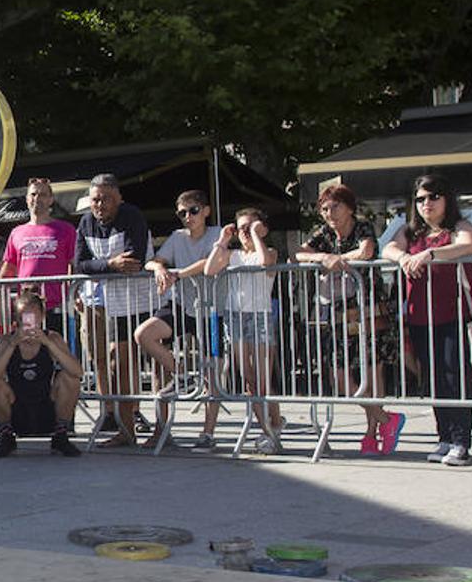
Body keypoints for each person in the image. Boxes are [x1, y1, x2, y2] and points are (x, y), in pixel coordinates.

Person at [295, 184, 405, 456]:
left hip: (369, 309)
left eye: (335, 207)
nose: (329, 213)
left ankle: (371, 433)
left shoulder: (362, 226)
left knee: (373, 371)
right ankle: (386, 420)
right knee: (340, 376)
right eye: (324, 208)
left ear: (349, 208)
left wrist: (337, 260)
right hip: (339, 313)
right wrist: (323, 257)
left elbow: (366, 251)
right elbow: (299, 253)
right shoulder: (323, 233)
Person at [383, 175, 472, 466]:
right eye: (421, 199)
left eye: (434, 196)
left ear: (446, 199)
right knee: (433, 378)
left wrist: (430, 253)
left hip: (453, 314)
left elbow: (469, 245)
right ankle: (445, 437)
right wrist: (403, 258)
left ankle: (461, 441)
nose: (427, 203)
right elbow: (388, 248)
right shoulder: (409, 231)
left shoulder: (459, 227)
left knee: (454, 376)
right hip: (420, 316)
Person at [136, 190, 222, 447]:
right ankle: (182, 376)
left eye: (193, 211)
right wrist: (160, 268)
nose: (188, 217)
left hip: (211, 309)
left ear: (206, 211)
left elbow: (209, 263)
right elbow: (151, 262)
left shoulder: (217, 234)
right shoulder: (177, 237)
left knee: (212, 375)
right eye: (182, 213)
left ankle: (208, 433)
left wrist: (178, 274)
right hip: (181, 305)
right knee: (143, 334)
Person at [75, 173, 153, 446]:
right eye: (95, 199)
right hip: (114, 304)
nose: (100, 205)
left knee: (156, 368)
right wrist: (110, 264)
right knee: (116, 364)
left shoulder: (132, 216)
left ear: (119, 198)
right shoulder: (85, 223)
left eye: (106, 199)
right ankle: (125, 429)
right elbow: (80, 264)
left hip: (146, 301)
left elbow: (134, 259)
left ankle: (161, 430)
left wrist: (100, 266)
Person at [205, 208, 281, 452]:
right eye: (241, 229)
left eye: (250, 227)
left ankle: (273, 426)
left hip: (260, 316)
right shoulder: (233, 254)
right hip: (235, 316)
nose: (245, 233)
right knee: (248, 377)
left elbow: (265, 262)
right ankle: (268, 428)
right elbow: (209, 270)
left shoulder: (269, 251)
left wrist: (256, 235)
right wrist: (222, 241)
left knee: (262, 379)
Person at [0, 291, 83, 458]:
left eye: (33, 317)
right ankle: (6, 437)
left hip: (46, 406)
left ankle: (61, 435)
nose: (29, 323)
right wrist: (12, 345)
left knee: (69, 379)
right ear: (17, 318)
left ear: (42, 316)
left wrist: (48, 344)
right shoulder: (5, 341)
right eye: (24, 317)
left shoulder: (53, 338)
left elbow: (77, 372)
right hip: (16, 408)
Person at [2, 178, 77, 333]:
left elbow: (75, 264)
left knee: (56, 344)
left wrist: (74, 294)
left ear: (51, 200)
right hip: (27, 306)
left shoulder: (66, 230)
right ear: (27, 199)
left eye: (43, 195)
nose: (37, 198)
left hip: (57, 306)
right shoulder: (16, 232)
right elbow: (9, 268)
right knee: (30, 343)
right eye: (33, 194)